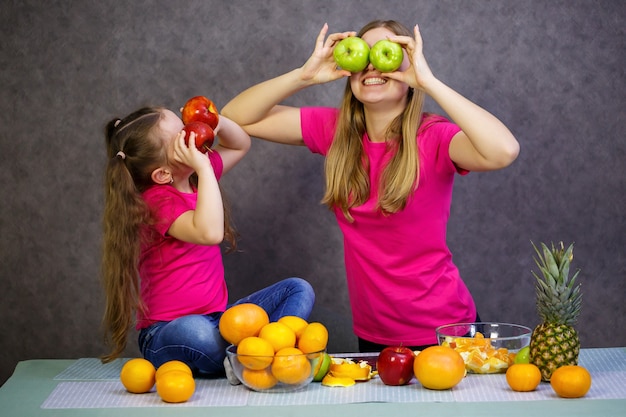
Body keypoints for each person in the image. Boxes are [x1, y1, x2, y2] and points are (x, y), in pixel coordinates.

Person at [222, 20, 519, 352]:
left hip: (446, 333)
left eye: (386, 55)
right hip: (375, 335)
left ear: (410, 71)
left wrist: (430, 83)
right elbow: (236, 116)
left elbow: (503, 151)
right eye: (363, 58)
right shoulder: (335, 131)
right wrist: (304, 75)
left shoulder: (434, 137)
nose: (372, 66)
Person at [101, 106, 315, 377]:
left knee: (298, 289)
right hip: (167, 331)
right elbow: (209, 233)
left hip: (219, 322)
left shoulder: (194, 177)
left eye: (185, 125)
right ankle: (249, 358)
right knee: (197, 332)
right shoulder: (156, 203)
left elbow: (239, 145)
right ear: (163, 174)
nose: (191, 131)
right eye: (181, 135)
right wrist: (203, 168)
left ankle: (254, 354)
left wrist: (216, 122)